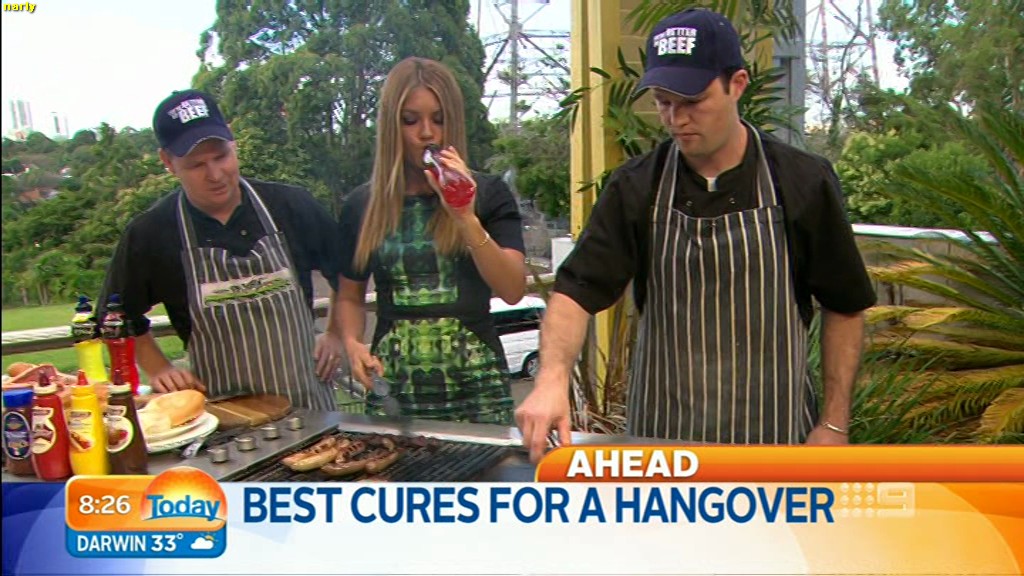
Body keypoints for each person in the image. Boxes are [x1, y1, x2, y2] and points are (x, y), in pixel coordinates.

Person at [515, 8, 876, 460]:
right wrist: (551, 380)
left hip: (776, 444)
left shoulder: (801, 181)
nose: (676, 119)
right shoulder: (636, 186)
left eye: (692, 101)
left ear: (737, 84)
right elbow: (575, 293)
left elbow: (845, 306)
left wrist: (833, 424)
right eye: (664, 102)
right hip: (663, 449)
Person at [98, 89, 344, 410]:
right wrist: (159, 368)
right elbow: (114, 316)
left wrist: (335, 332)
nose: (215, 175)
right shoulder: (152, 232)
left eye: (221, 156)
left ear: (233, 142)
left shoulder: (290, 206)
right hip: (223, 419)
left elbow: (347, 271)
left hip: (310, 409)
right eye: (196, 165)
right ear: (168, 162)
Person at [337, 56, 527, 424]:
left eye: (439, 119)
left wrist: (465, 216)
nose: (427, 133)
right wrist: (351, 342)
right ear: (391, 126)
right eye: (411, 120)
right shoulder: (363, 204)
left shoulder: (488, 193)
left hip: (477, 386)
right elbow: (349, 295)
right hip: (395, 384)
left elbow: (512, 289)